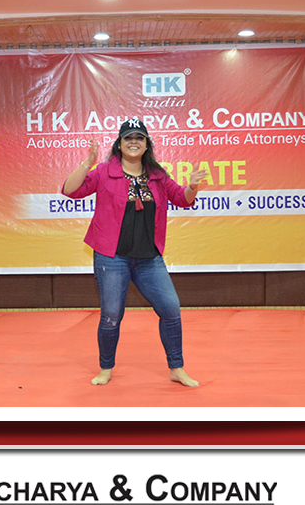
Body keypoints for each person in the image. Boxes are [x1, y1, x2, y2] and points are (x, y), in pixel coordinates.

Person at [62, 117, 206, 387]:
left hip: (149, 259)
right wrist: (88, 162)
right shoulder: (104, 171)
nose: (133, 142)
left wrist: (192, 186)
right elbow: (70, 190)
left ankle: (176, 368)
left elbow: (182, 199)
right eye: (128, 138)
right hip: (111, 257)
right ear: (119, 144)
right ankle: (106, 368)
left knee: (171, 309)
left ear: (146, 145)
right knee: (111, 315)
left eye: (139, 138)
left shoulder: (158, 175)